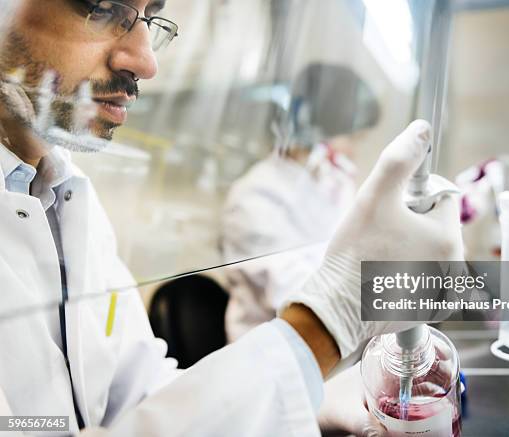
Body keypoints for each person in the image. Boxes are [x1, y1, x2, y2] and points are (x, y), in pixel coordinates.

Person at [0, 1, 463, 436]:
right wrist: (330, 322)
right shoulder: (259, 195)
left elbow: (138, 398)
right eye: (101, 8)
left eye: (148, 17)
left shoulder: (67, 196)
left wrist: (304, 401)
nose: (145, 61)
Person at [222, 63, 380, 342]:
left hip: (334, 345)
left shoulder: (332, 184)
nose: (353, 152)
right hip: (274, 356)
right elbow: (305, 296)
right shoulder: (255, 196)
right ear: (313, 127)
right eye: (351, 137)